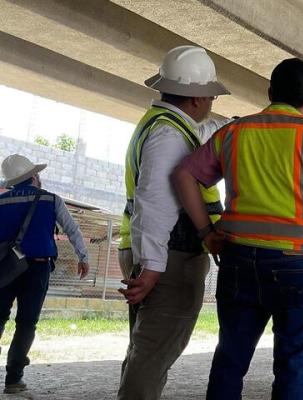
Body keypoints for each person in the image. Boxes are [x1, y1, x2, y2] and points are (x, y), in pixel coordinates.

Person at [172, 57, 303, 399]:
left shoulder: (235, 131)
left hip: (239, 260)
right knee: (292, 367)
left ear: (270, 93)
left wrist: (206, 232)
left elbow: (184, 174)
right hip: (302, 265)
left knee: (230, 360)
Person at [115, 45, 230, 400]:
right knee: (153, 355)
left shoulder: (166, 125)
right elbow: (156, 203)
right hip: (169, 257)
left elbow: (210, 128)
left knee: (144, 350)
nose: (212, 102)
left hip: (155, 253)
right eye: (210, 95)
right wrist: (152, 267)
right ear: (196, 98)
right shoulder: (169, 136)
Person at [0, 154, 89, 394]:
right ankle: (14, 379)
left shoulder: (2, 201)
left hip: (4, 267)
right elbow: (72, 228)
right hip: (37, 268)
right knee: (26, 323)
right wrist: (83, 256)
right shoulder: (50, 199)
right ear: (34, 177)